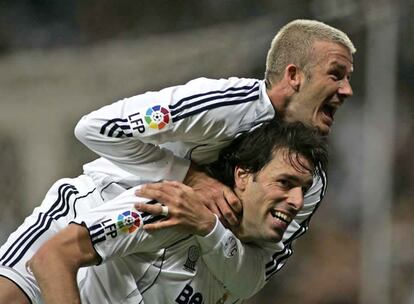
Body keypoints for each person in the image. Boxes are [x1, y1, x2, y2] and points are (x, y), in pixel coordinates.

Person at [0, 19, 355, 303]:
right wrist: (190, 177)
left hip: (175, 260)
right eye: (336, 74)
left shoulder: (312, 183)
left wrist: (208, 226)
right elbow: (96, 128)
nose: (347, 90)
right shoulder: (222, 104)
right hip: (105, 210)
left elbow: (253, 275)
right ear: (293, 76)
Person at [28, 121, 328, 304]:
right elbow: (51, 258)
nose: (297, 201)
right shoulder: (168, 205)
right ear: (243, 176)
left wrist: (210, 228)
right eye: (285, 183)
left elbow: (245, 279)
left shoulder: (257, 257)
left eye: (303, 189)